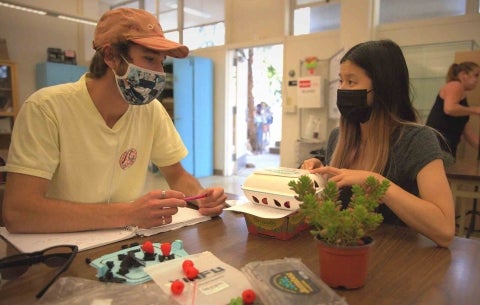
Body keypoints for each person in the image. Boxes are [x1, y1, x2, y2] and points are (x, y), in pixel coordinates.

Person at [2, 8, 227, 234]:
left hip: (123, 240)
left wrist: (201, 197)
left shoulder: (151, 111)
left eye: (161, 62)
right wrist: (127, 213)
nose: (159, 73)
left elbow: (177, 174)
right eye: (149, 59)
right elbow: (18, 212)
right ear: (110, 56)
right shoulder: (46, 109)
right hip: (58, 249)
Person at [301, 39, 455, 247]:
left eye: (352, 82)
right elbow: (335, 214)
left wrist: (377, 183)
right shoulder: (338, 138)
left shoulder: (416, 141)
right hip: (343, 254)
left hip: (395, 263)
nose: (343, 89)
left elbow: (445, 230)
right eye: (341, 81)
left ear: (382, 88)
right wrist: (320, 180)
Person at [425, 61, 480, 161]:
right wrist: (476, 110)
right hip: (438, 147)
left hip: (443, 148)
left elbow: (467, 132)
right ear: (463, 75)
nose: (477, 80)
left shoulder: (462, 107)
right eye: (476, 75)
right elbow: (449, 108)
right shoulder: (455, 85)